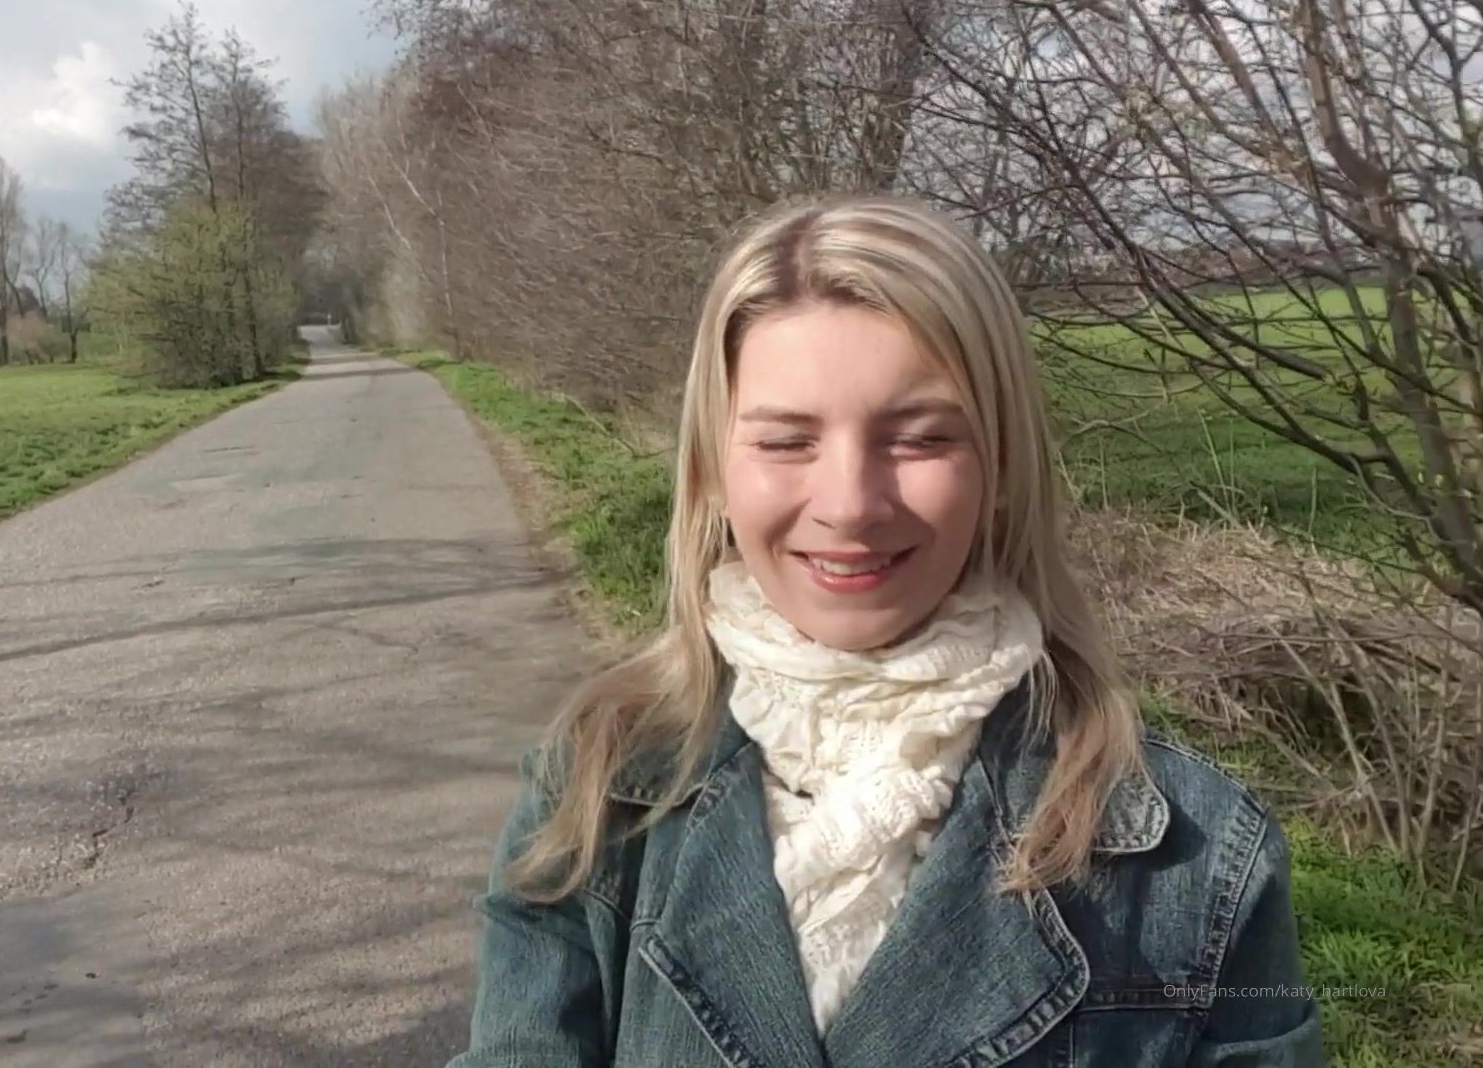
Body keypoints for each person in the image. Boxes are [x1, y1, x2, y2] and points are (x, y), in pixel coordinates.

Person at [449, 195, 1324, 1066]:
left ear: (1002, 466)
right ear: (712, 471)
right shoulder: (595, 787)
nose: (850, 506)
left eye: (919, 439)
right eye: (787, 442)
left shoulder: (1197, 853)